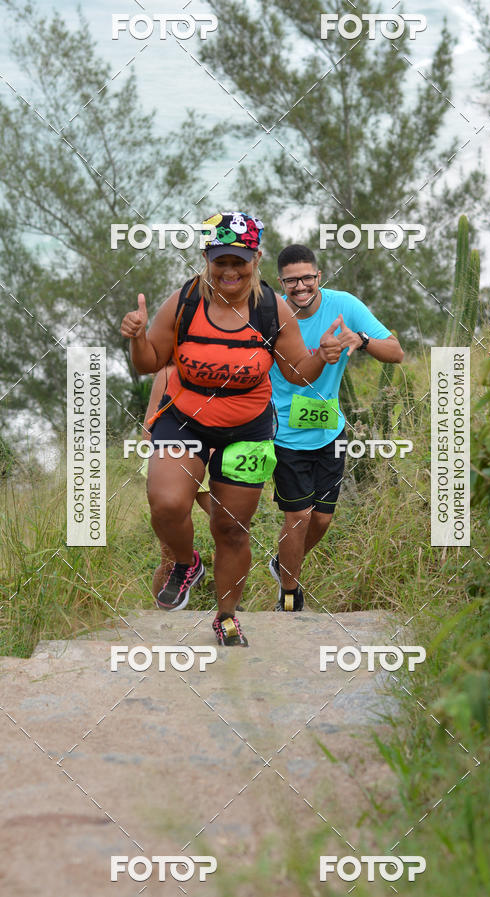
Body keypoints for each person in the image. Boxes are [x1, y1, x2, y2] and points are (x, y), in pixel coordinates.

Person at [120, 213, 344, 646]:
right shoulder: (185, 300)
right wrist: (136, 337)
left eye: (239, 261)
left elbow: (298, 372)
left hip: (247, 428)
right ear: (206, 258)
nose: (229, 271)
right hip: (184, 417)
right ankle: (186, 563)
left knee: (231, 528)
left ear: (255, 259)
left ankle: (226, 617)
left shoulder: (269, 308)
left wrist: (325, 355)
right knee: (166, 503)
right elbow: (150, 363)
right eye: (220, 260)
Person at [268, 243, 404, 611]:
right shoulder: (272, 313)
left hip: (330, 430)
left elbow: (396, 352)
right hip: (283, 434)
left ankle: (284, 564)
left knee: (322, 520)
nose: (300, 287)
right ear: (281, 282)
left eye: (307, 278)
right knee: (298, 516)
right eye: (291, 281)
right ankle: (290, 596)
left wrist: (361, 340)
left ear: (319, 276)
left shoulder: (344, 305)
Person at [139, 365, 212, 599]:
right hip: (170, 458)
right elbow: (149, 428)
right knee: (168, 549)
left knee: (228, 529)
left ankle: (228, 606)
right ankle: (163, 613)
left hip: (212, 457)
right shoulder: (169, 373)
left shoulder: (229, 368)